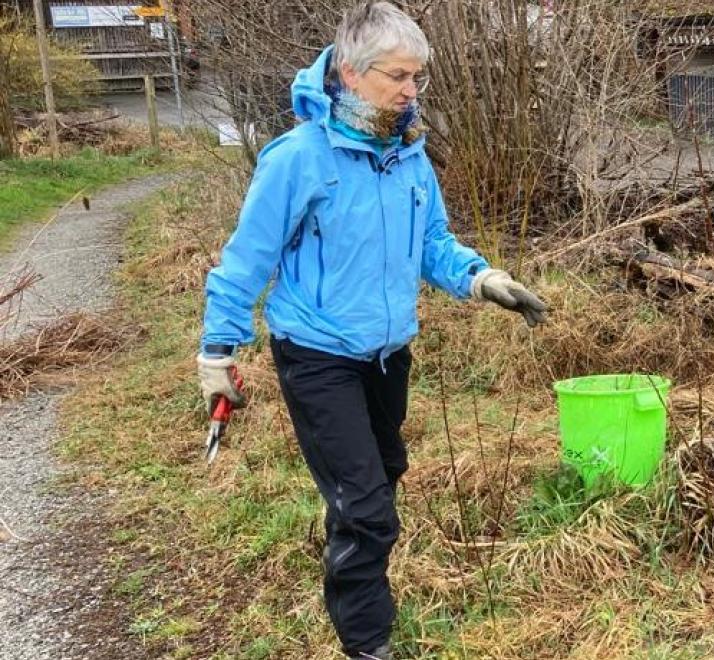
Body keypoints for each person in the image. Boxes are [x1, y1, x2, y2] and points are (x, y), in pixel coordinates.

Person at [195, 4, 547, 658]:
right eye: (399, 76)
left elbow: (433, 242)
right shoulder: (299, 159)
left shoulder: (408, 155)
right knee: (366, 507)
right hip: (318, 357)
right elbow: (247, 261)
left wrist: (479, 277)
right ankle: (367, 642)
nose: (412, 91)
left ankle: (352, 560)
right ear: (352, 74)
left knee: (381, 475)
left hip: (389, 357)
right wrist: (218, 349)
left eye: (418, 77)